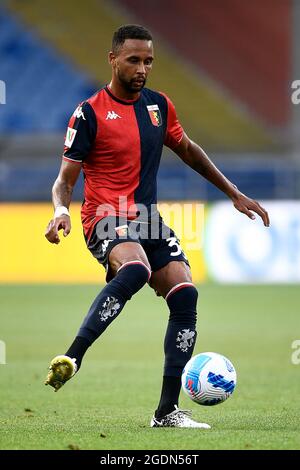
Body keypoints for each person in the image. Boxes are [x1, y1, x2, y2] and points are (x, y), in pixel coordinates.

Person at [44, 24, 269, 428]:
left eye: (148, 60)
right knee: (135, 268)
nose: (142, 68)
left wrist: (234, 193)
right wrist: (60, 211)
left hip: (147, 218)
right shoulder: (89, 113)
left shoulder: (159, 106)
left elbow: (188, 150)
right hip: (104, 216)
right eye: (134, 60)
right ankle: (73, 356)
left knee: (185, 294)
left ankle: (166, 413)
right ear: (113, 59)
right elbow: (65, 179)